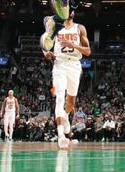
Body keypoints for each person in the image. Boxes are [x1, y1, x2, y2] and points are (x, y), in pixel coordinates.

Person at [44, 11, 91, 149]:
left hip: (75, 65)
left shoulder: (80, 28)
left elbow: (88, 51)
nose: (69, 10)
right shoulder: (55, 27)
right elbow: (46, 46)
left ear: (74, 12)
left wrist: (73, 45)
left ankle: (65, 122)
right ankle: (61, 135)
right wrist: (47, 54)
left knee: (71, 102)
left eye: (71, 8)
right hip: (59, 64)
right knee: (59, 98)